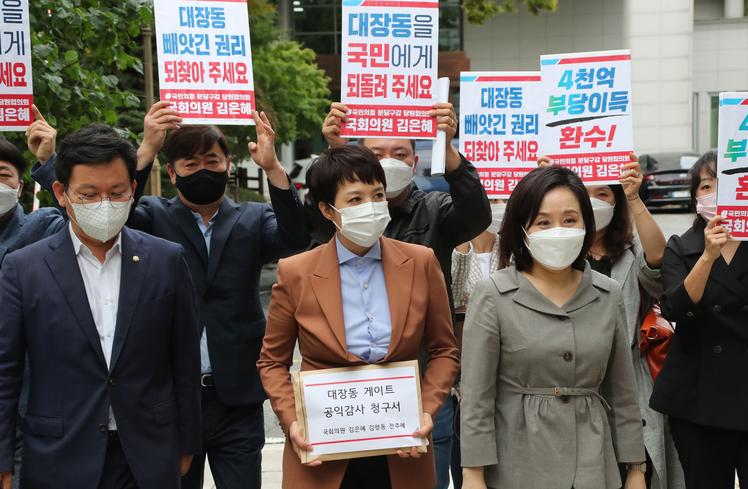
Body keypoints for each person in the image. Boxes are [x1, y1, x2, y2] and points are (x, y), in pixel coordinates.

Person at [31, 103, 312, 489]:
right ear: (172, 172)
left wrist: (273, 168)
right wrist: (146, 146)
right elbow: (101, 212)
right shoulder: (152, 216)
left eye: (211, 161)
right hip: (172, 397)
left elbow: (296, 238)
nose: (201, 170)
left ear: (228, 165)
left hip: (237, 395)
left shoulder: (252, 218)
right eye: (190, 163)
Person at [0, 125, 202, 489]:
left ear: (132, 189)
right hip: (59, 455)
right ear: (62, 193)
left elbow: (185, 360)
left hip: (148, 453)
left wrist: (189, 439)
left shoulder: (166, 260)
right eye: (90, 194)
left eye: (116, 192)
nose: (105, 204)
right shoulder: (24, 268)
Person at [257, 144, 459, 489]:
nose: (371, 207)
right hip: (324, 445)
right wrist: (292, 422)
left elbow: (443, 350)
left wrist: (426, 409)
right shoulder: (296, 273)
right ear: (328, 210)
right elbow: (272, 362)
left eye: (377, 195)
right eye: (355, 200)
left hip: (402, 444)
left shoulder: (421, 262)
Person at [322, 101, 491, 489]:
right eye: (375, 154)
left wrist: (449, 150)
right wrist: (334, 152)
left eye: (399, 154)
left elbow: (476, 215)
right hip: (350, 389)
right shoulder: (338, 214)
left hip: (422, 383)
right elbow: (306, 228)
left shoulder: (435, 209)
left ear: (415, 163)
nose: (387, 161)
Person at [460, 166, 647, 489]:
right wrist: (473, 474)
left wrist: (635, 469)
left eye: (570, 220)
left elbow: (623, 392)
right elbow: (477, 396)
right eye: (543, 222)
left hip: (592, 464)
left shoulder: (607, 293)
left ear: (587, 224)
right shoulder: (492, 294)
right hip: (517, 463)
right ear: (522, 228)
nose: (558, 231)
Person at [539, 156, 684, 488]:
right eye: (584, 192)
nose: (593, 201)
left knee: (635, 468)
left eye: (603, 193)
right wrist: (545, 186)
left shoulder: (630, 249)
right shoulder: (554, 250)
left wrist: (634, 196)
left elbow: (659, 264)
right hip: (567, 382)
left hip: (628, 381)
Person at [0, 131, 66, 487]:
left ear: (20, 186)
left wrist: (47, 162)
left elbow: (86, 221)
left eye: (3, 174)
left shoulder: (45, 228)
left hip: (33, 409)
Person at [649, 151, 748, 488]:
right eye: (707, 185)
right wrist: (708, 256)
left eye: (727, 183)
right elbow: (675, 309)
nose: (716, 193)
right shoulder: (682, 247)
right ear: (695, 198)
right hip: (698, 398)